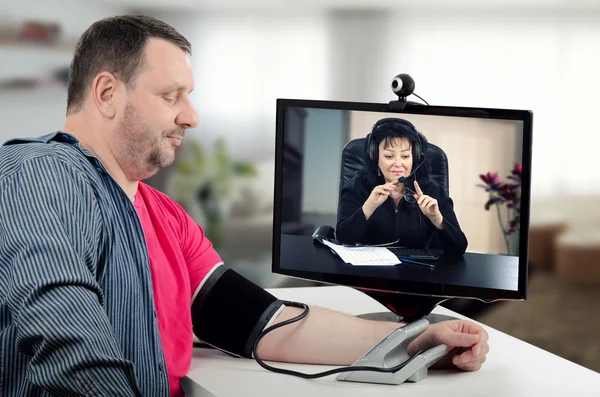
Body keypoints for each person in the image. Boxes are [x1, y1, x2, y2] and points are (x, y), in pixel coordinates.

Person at [0, 15, 488, 397]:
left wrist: (419, 342)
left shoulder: (163, 215)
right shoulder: (40, 173)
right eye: (171, 96)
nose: (190, 116)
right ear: (106, 93)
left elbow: (263, 322)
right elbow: (68, 343)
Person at [336, 117, 468, 256]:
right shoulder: (358, 186)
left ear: (415, 158)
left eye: (405, 156)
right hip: (368, 269)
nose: (398, 164)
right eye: (389, 156)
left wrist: (437, 219)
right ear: (375, 156)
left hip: (418, 271)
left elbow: (459, 248)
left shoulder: (431, 190)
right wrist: (369, 206)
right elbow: (344, 237)